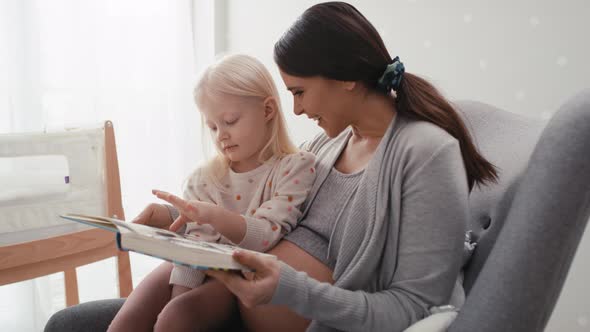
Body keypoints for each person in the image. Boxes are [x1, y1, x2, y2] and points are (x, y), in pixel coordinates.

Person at [44, 2, 498, 332]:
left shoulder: (425, 152)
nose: (295, 111)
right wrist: (172, 220)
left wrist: (288, 290)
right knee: (71, 322)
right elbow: (260, 205)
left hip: (268, 310)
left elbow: (414, 306)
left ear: (344, 79)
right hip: (232, 294)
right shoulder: (328, 142)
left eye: (299, 92)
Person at [107, 54, 316, 332]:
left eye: (230, 121)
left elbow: (265, 236)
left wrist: (213, 216)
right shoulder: (205, 178)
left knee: (175, 319)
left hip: (237, 275)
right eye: (213, 126)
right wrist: (178, 288)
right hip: (193, 264)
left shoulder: (295, 168)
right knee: (127, 320)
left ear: (267, 111)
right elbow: (193, 245)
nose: (221, 136)